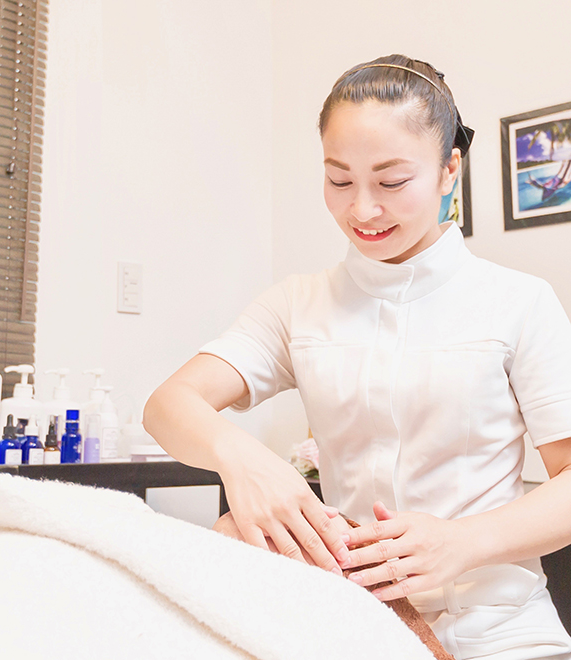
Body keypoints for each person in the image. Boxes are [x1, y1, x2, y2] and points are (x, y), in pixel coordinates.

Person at [143, 54, 571, 659]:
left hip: (500, 628)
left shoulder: (519, 302)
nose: (362, 209)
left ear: (450, 169)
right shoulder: (299, 303)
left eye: (392, 182)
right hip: (349, 623)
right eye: (339, 180)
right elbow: (168, 406)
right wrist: (243, 459)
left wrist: (461, 543)